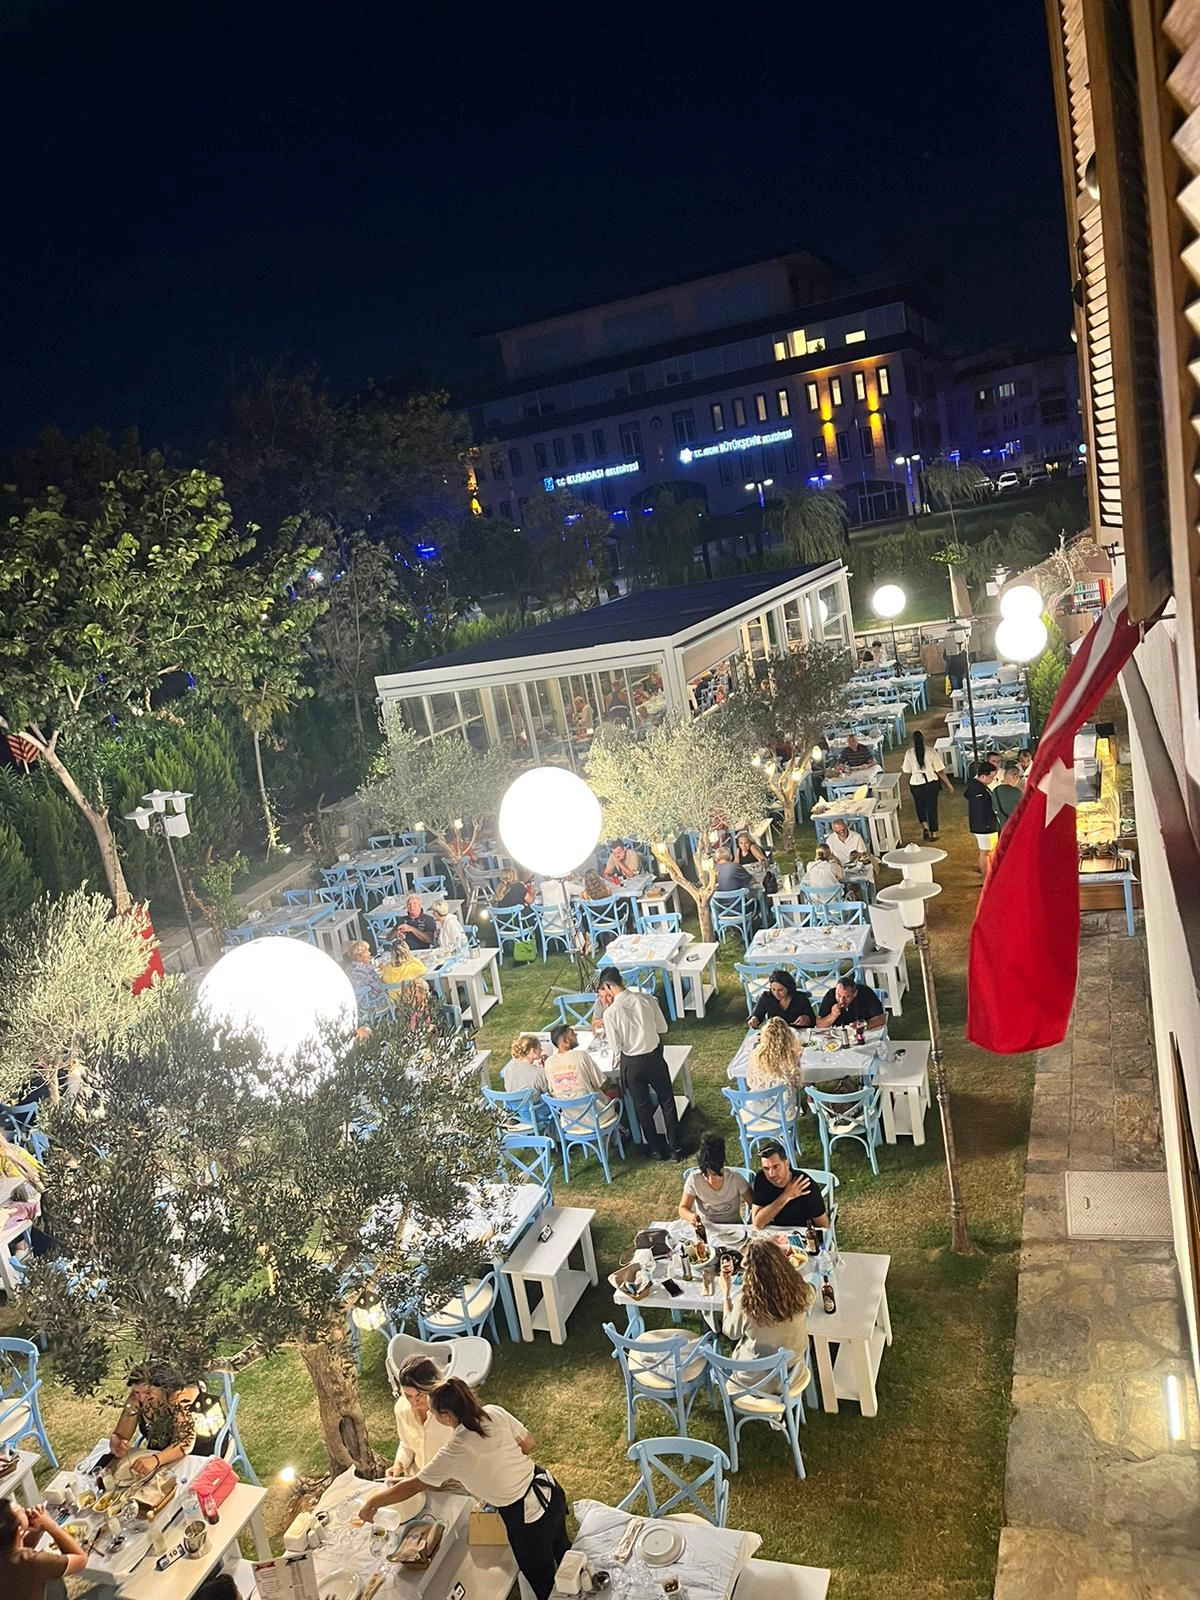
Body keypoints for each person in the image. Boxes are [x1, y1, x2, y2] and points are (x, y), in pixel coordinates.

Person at [358, 1380, 569, 1600]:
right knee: (566, 1554)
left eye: (433, 1412)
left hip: (527, 1518)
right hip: (549, 1490)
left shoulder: (453, 1452)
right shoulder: (493, 1412)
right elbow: (528, 1443)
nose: (431, 1415)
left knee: (543, 1582)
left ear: (446, 1416)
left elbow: (413, 1485)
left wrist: (373, 1503)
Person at [594, 966, 681, 1160]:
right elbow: (663, 1027)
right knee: (667, 1100)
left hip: (632, 1063)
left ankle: (656, 1149)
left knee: (642, 1107)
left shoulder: (610, 1013)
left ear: (607, 986)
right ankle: (675, 1148)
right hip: (653, 1057)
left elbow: (616, 1046)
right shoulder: (647, 999)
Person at [721, 1236, 817, 1361]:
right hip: (793, 1362)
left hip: (756, 1369)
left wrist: (726, 1293)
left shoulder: (745, 1303)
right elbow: (812, 1293)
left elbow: (731, 1332)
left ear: (750, 1274)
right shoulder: (803, 1290)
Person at [109, 1360, 198, 1475]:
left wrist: (155, 1460)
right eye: (136, 1392)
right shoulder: (135, 1400)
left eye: (147, 1392)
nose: (142, 1398)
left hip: (195, 1455)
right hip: (159, 1454)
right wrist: (117, 1444)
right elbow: (119, 1435)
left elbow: (185, 1442)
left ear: (165, 1388)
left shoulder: (178, 1398)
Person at [0, 1498, 87, 1600]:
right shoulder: (33, 1562)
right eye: (21, 1511)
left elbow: (19, 1550)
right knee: (103, 1590)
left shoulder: (5, 1549)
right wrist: (51, 1525)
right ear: (20, 1531)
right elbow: (81, 1560)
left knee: (54, 1577)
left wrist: (39, 1527)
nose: (25, 1510)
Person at [388, 1356, 457, 1478]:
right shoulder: (402, 1408)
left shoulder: (450, 1411)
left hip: (449, 1478)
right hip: (418, 1477)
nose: (414, 1402)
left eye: (420, 1395)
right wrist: (398, 1464)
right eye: (408, 1396)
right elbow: (407, 1444)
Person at [677, 1131, 752, 1227]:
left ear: (723, 1166)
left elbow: (754, 1205)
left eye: (715, 1174)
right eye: (705, 1175)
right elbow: (683, 1208)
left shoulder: (736, 1179)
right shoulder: (694, 1179)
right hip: (707, 1226)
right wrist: (691, 1217)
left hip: (733, 1226)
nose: (711, 1180)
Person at [751, 1142, 829, 1229]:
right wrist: (786, 1196)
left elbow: (824, 1227)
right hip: (774, 1233)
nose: (771, 1174)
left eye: (775, 1167)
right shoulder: (761, 1179)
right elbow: (757, 1224)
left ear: (787, 1164)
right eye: (766, 1168)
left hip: (803, 1233)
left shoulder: (805, 1184)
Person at [902, 729, 954, 840]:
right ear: (923, 739)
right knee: (932, 807)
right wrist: (948, 784)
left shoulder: (909, 753)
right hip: (930, 782)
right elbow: (940, 770)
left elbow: (906, 770)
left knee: (919, 806)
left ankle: (925, 827)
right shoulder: (931, 752)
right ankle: (934, 833)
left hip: (915, 782)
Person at [543, 1023, 609, 1101]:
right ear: (565, 1041)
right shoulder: (582, 1056)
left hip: (565, 1108)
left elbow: (552, 1090)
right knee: (613, 1089)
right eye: (572, 1034)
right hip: (591, 1106)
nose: (576, 1034)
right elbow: (600, 1083)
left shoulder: (548, 1062)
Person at [747, 1015, 805, 1093]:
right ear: (788, 1036)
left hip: (758, 1098)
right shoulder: (791, 1056)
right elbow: (797, 1084)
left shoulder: (755, 1054)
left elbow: (750, 1082)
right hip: (783, 1099)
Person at [815, 975, 886, 1033]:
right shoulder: (830, 995)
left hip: (865, 1032)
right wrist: (832, 1015)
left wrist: (864, 1024)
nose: (841, 1000)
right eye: (838, 995)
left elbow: (881, 1018)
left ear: (855, 993)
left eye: (846, 997)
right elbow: (819, 1025)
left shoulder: (865, 992)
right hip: (839, 1035)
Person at [748, 969, 814, 1031]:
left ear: (788, 987)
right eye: (773, 989)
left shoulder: (801, 998)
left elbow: (813, 1020)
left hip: (798, 1033)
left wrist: (807, 1019)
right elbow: (757, 1015)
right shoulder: (766, 998)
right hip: (776, 1034)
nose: (776, 994)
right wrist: (754, 1019)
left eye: (780, 990)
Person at [964, 761, 999, 877]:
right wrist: (988, 824)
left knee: (987, 852)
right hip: (984, 826)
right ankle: (987, 879)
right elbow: (980, 811)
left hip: (983, 825)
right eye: (991, 777)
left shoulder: (977, 786)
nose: (993, 780)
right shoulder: (978, 790)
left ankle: (988, 876)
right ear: (983, 776)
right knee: (986, 853)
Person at [345, 940, 391, 1023]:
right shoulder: (365, 969)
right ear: (359, 955)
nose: (370, 953)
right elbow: (379, 986)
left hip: (357, 1003)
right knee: (392, 996)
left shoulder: (350, 967)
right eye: (367, 951)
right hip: (369, 1004)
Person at [991, 762, 1023, 829]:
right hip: (1017, 828)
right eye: (1019, 777)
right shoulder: (1017, 793)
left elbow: (995, 809)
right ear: (1015, 776)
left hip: (1003, 828)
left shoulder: (995, 791)